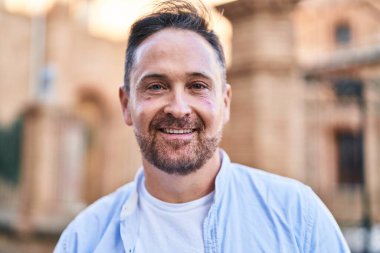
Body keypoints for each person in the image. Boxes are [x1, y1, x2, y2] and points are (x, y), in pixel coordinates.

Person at [54, 1, 350, 252]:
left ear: (226, 103)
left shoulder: (298, 218)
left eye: (197, 85)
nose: (179, 108)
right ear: (125, 104)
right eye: (156, 86)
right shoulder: (83, 240)